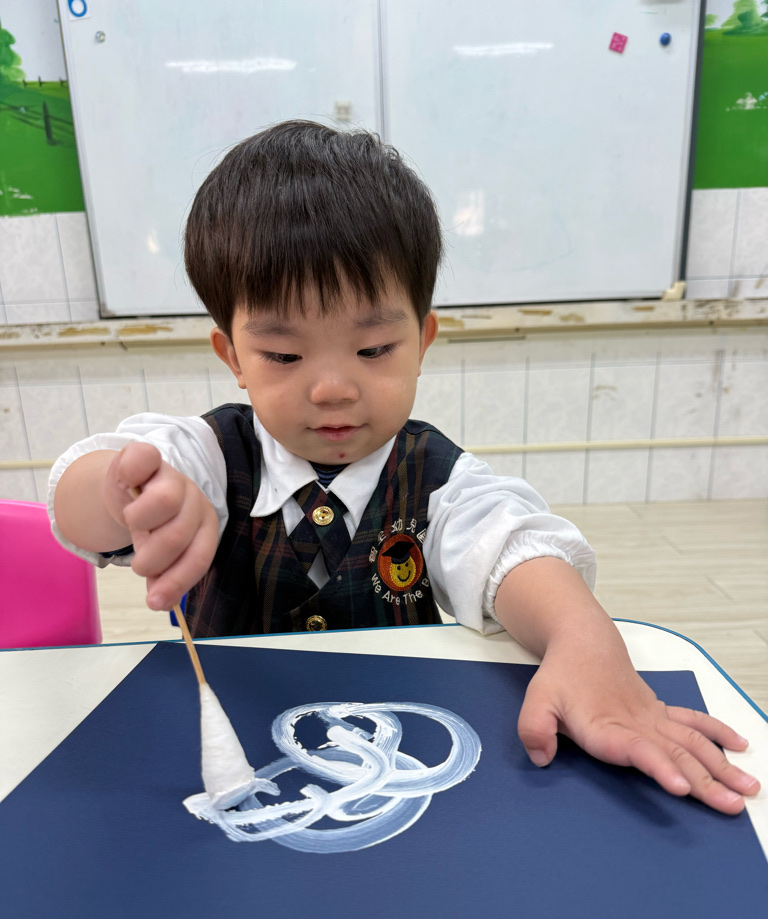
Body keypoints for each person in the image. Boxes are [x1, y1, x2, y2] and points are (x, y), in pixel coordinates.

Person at [50, 120, 759, 816]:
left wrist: (582, 638)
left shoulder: (435, 477)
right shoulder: (207, 457)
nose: (333, 389)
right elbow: (86, 498)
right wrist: (123, 493)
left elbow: (509, 547)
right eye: (284, 356)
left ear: (422, 341)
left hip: (401, 766)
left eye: (374, 350)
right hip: (232, 767)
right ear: (232, 356)